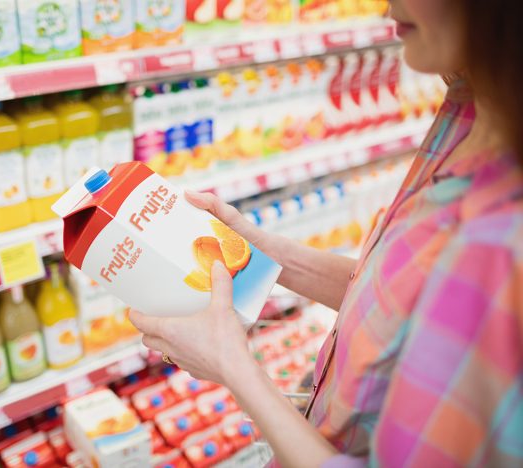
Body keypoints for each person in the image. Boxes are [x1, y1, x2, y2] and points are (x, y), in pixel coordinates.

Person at [130, 0, 523, 466]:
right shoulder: (468, 109)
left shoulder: (502, 239)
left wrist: (232, 365)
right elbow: (397, 299)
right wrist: (262, 253)